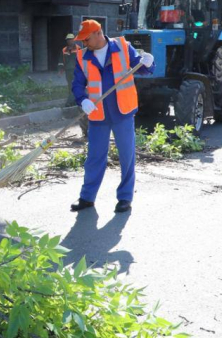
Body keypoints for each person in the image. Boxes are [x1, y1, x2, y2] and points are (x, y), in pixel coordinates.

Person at [70, 20, 153, 214]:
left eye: (86, 39)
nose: (84, 44)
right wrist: (82, 100)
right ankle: (87, 197)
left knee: (127, 156)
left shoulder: (123, 47)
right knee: (94, 157)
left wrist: (148, 63)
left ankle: (125, 198)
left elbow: (140, 68)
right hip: (98, 114)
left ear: (98, 33)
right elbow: (77, 84)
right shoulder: (83, 57)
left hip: (122, 112)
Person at [57, 33, 80, 107]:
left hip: (76, 70)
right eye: (68, 40)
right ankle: (73, 100)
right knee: (70, 86)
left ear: (74, 40)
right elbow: (61, 61)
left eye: (71, 39)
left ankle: (70, 102)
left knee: (75, 85)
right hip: (68, 71)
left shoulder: (78, 48)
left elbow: (81, 60)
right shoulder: (64, 50)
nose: (70, 41)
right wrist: (60, 71)